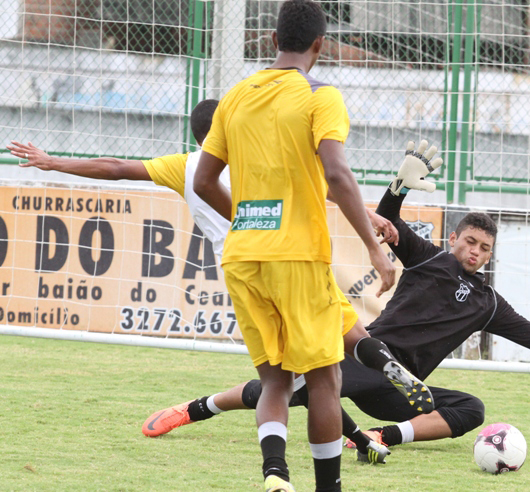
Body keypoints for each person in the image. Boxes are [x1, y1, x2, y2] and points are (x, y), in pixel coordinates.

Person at [143, 142, 530, 453]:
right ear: (455, 239)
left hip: (402, 391)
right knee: (278, 392)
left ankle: (377, 438)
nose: (476, 252)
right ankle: (194, 409)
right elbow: (385, 226)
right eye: (470, 242)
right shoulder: (431, 257)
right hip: (369, 357)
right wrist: (400, 185)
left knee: (470, 409)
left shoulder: (489, 305)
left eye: (485, 248)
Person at [7, 101, 438, 465]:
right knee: (337, 351)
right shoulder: (262, 157)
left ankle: (345, 446)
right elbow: (327, 186)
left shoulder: (187, 166)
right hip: (294, 259)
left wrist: (53, 162)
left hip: (244, 274)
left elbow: (117, 167)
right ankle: (381, 375)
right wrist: (374, 216)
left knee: (294, 377)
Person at [190, 0, 402, 492]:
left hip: (243, 256)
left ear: (271, 39)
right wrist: (376, 248)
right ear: (319, 45)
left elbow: (202, 181)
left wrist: (251, 219)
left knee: (276, 379)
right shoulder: (319, 95)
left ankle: (277, 475)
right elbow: (336, 173)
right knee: (325, 378)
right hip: (296, 258)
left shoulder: (235, 96)